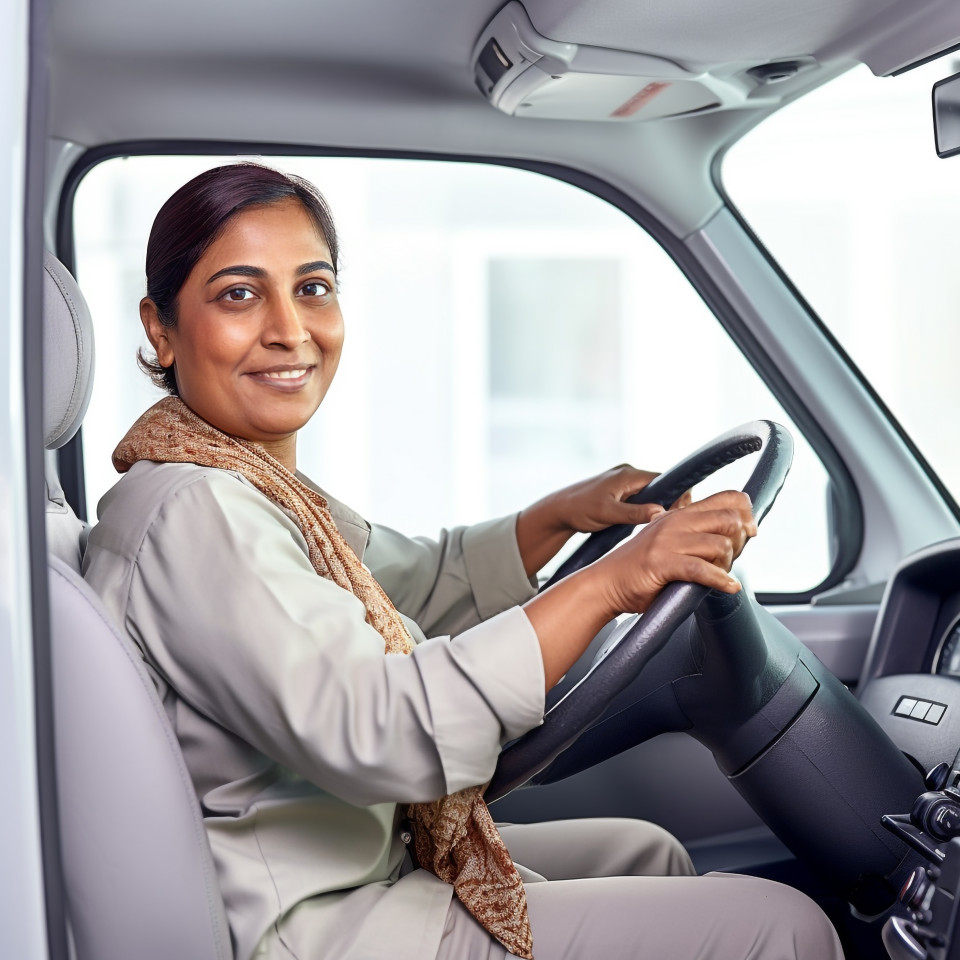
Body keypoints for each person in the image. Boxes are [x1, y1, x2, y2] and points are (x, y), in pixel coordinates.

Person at [82, 162, 844, 960]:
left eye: (312, 288)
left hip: (346, 870)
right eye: (240, 294)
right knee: (786, 926)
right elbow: (385, 729)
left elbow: (400, 583)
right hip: (316, 926)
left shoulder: (242, 483)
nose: (289, 329)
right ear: (161, 328)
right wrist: (615, 581)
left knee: (645, 849)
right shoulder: (197, 511)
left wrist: (553, 518)